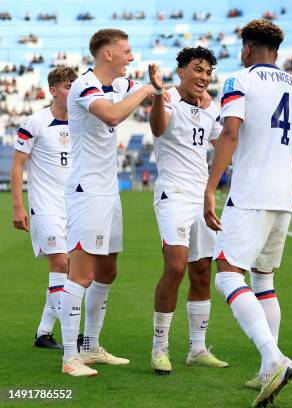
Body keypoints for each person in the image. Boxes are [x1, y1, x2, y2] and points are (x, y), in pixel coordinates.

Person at [203, 19, 292, 406]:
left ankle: (273, 357)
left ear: (247, 48)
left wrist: (210, 188)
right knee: (264, 279)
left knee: (228, 274)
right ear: (275, 51)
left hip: (250, 193)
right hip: (285, 194)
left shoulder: (239, 79)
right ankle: (268, 369)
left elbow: (230, 133)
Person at [60, 28, 157, 377]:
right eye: (127, 51)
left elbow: (149, 92)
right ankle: (70, 357)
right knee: (82, 274)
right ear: (108, 55)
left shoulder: (119, 85)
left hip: (108, 192)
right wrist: (148, 89)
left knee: (108, 270)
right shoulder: (84, 85)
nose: (132, 57)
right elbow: (112, 116)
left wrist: (156, 85)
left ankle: (91, 346)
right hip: (87, 192)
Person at [148, 47, 228, 374]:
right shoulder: (166, 98)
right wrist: (156, 94)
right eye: (198, 70)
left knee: (201, 271)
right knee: (177, 266)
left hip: (201, 197)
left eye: (208, 72)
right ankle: (159, 348)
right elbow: (157, 128)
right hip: (173, 194)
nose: (203, 77)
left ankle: (197, 348)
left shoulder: (211, 109)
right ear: (181, 72)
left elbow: (225, 145)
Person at [11, 66, 77, 350]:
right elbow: (17, 165)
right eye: (67, 86)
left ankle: (43, 333)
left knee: (67, 272)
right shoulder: (34, 122)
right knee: (60, 263)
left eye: (75, 85)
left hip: (75, 207)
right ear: (53, 90)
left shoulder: (81, 121)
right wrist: (17, 207)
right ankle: (76, 337)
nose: (73, 91)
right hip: (45, 207)